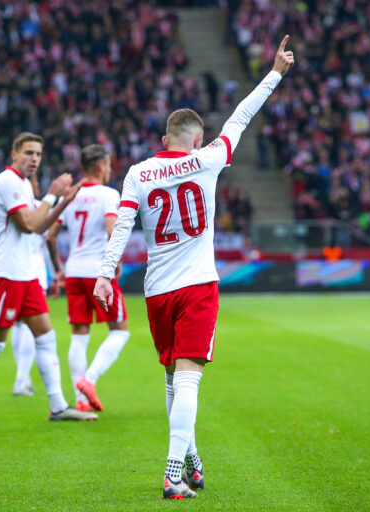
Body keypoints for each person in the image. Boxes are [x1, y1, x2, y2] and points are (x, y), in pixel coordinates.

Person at [93, 36, 295, 499]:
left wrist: (105, 277)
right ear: (197, 140)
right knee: (188, 379)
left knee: (172, 378)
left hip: (157, 290)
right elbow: (242, 115)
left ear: (164, 141)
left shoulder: (138, 173)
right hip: (198, 286)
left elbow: (121, 229)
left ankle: (191, 460)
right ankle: (171, 472)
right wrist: (275, 73)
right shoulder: (208, 160)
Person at [0, 132, 96, 423]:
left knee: (47, 337)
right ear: (14, 154)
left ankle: (58, 406)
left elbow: (39, 228)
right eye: (28, 153)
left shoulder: (24, 185)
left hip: (26, 276)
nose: (34, 159)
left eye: (38, 154)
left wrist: (64, 202)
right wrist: (52, 193)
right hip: (7, 274)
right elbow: (27, 224)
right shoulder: (7, 181)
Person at [49, 144, 130, 413]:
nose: (109, 170)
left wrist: (57, 268)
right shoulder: (108, 194)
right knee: (120, 331)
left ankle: (80, 400)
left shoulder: (73, 196)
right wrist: (115, 263)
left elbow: (50, 234)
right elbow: (112, 230)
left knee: (79, 335)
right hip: (97, 273)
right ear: (100, 166)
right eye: (108, 165)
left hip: (73, 272)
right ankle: (89, 380)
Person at [0, 172, 63, 397]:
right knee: (26, 331)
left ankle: (23, 378)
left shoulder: (26, 208)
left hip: (27, 274)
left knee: (23, 328)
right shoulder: (40, 207)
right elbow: (48, 238)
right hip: (27, 273)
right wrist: (55, 273)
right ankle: (23, 378)